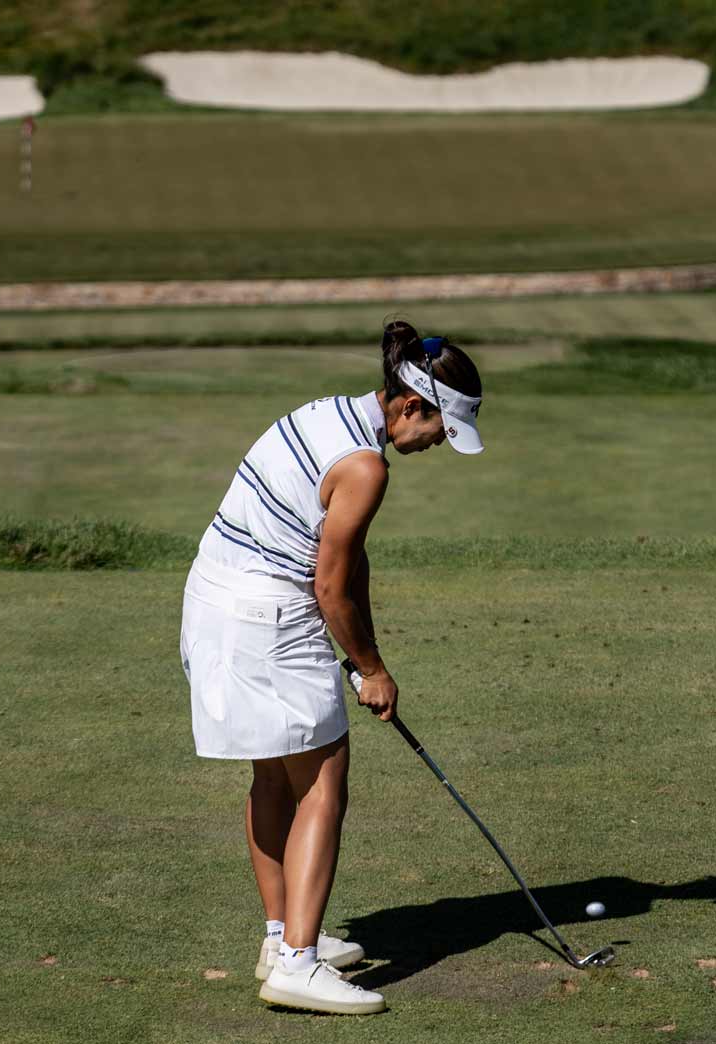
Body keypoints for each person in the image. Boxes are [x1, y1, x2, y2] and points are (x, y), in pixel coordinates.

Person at [178, 319, 485, 1014]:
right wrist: (372, 670)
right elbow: (331, 588)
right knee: (322, 780)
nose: (437, 443)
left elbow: (340, 557)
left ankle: (281, 936)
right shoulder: (366, 466)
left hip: (213, 601)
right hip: (266, 620)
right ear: (411, 405)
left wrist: (358, 653)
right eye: (439, 428)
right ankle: (297, 965)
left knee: (272, 772)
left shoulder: (320, 414)